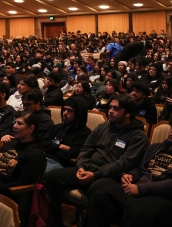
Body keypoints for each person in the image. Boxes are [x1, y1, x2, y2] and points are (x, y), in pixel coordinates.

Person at [85, 110, 172, 227]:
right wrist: (130, 175)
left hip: (168, 197)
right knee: (100, 196)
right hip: (140, 187)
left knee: (138, 210)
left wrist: (141, 188)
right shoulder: (156, 147)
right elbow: (140, 169)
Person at [44, 95, 149, 227]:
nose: (110, 111)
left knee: (97, 189)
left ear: (128, 113)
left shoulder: (138, 136)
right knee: (52, 177)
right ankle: (55, 222)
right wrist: (81, 166)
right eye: (110, 107)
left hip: (111, 176)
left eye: (116, 108)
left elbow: (124, 163)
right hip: (88, 169)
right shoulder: (102, 127)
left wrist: (95, 175)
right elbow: (85, 149)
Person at [0, 111, 46, 195]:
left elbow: (22, 183)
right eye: (15, 122)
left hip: (9, 194)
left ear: (31, 128)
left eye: (19, 123)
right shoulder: (9, 144)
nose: (14, 126)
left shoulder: (36, 154)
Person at [42, 96, 91, 173]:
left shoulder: (85, 133)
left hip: (60, 164)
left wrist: (51, 148)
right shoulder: (57, 127)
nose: (65, 113)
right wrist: (60, 146)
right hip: (44, 158)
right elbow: (43, 143)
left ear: (78, 113)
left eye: (70, 110)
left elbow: (72, 153)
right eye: (64, 109)